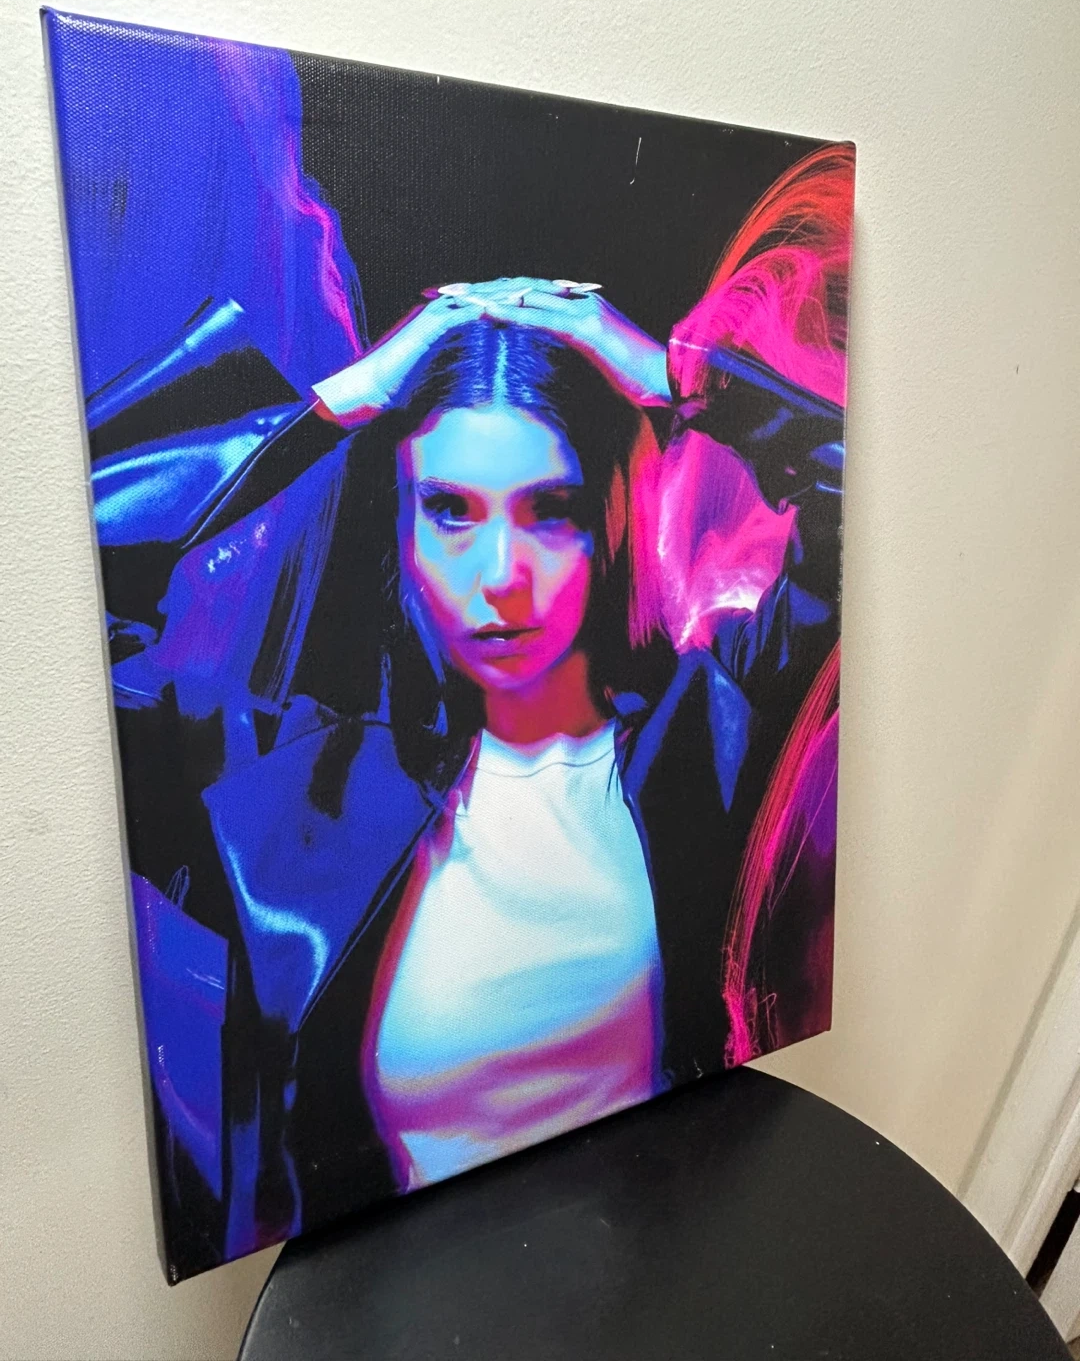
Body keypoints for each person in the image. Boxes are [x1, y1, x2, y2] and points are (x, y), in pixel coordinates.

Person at [110, 146, 851, 1276]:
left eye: (548, 510)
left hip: (664, 1262)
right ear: (401, 526)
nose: (501, 575)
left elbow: (854, 493)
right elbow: (72, 603)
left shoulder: (710, 729)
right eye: (450, 511)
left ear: (607, 522)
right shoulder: (276, 786)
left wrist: (669, 376)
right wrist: (347, 398)